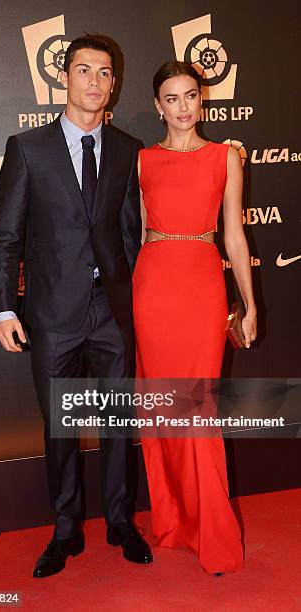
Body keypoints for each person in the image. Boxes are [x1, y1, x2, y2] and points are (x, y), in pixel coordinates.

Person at [0, 34, 152, 578]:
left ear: (113, 84)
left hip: (112, 314)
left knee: (117, 423)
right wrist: (4, 309)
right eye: (85, 70)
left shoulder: (128, 150)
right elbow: (5, 237)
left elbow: (130, 236)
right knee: (60, 427)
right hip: (52, 315)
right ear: (65, 77)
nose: (96, 82)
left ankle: (120, 521)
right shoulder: (28, 149)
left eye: (106, 73)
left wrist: (135, 309)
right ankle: (64, 529)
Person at [132, 61, 257, 574]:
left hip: (202, 283)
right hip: (153, 284)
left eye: (191, 96)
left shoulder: (226, 157)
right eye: (173, 98)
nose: (184, 107)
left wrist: (250, 304)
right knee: (162, 406)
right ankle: (176, 519)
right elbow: (139, 234)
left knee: (196, 409)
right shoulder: (140, 160)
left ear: (201, 101)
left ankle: (214, 534)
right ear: (158, 106)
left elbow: (234, 236)